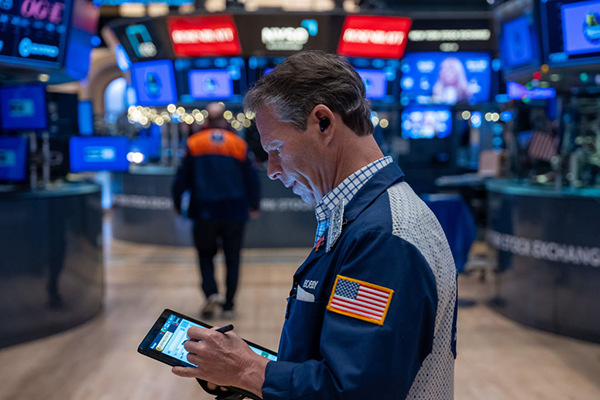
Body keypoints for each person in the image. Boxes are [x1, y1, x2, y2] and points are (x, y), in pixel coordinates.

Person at [172, 52, 457, 399]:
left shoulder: (382, 239)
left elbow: (353, 391)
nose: (273, 170)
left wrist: (248, 370)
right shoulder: (360, 217)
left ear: (323, 122)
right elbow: (338, 360)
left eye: (276, 148)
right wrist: (246, 374)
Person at [173, 102, 260, 319]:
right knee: (233, 257)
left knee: (205, 255)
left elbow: (181, 178)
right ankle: (229, 303)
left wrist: (176, 202)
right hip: (234, 210)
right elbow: (251, 178)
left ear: (207, 121)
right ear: (224, 120)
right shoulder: (238, 144)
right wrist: (254, 204)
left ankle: (211, 293)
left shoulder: (194, 143)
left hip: (203, 210)